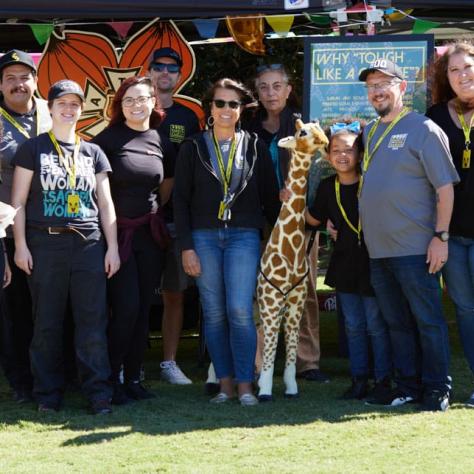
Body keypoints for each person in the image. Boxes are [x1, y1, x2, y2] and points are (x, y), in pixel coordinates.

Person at [11, 79, 120, 414]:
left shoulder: (93, 152)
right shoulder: (33, 149)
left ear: (81, 109)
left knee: (92, 323)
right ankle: (47, 395)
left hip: (89, 246)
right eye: (63, 103)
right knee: (46, 323)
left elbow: (105, 204)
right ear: (52, 107)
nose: (69, 109)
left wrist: (112, 248)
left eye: (75, 104)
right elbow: (17, 202)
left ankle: (98, 393)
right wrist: (20, 247)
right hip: (46, 245)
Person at [358, 59, 459, 411]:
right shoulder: (370, 132)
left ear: (403, 88)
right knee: (397, 324)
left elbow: (445, 189)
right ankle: (407, 386)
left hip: (416, 248)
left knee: (428, 321)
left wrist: (441, 237)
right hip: (378, 251)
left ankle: (437, 388)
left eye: (384, 83)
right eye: (371, 85)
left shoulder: (424, 128)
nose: (377, 90)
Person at [174, 78, 280, 406]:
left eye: (232, 104)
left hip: (243, 237)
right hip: (203, 237)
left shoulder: (254, 146)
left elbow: (269, 200)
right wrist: (186, 246)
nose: (225, 110)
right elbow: (179, 201)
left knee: (239, 310)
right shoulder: (192, 147)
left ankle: (246, 384)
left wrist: (284, 233)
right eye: (220, 103)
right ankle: (224, 384)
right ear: (210, 108)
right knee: (215, 312)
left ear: (241, 110)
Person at [93, 76, 175, 403]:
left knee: (143, 310)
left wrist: (152, 212)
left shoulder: (161, 140)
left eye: (143, 99)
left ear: (154, 102)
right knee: (125, 308)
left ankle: (134, 379)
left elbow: (166, 185)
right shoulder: (105, 140)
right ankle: (111, 378)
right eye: (129, 100)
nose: (137, 105)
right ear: (119, 105)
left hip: (150, 235)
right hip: (117, 236)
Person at [246, 64, 328, 383]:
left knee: (304, 288)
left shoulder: (305, 126)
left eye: (276, 86)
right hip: (262, 220)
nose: (270, 93)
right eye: (264, 87)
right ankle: (257, 362)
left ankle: (307, 362)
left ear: (288, 89)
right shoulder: (250, 128)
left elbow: (319, 172)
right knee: (260, 289)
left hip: (299, 221)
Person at [305, 120, 392, 400]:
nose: (343, 155)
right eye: (336, 150)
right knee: (353, 326)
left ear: (360, 154)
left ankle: (382, 379)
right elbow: (314, 219)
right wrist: (291, 199)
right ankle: (358, 379)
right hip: (344, 265)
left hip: (373, 262)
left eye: (349, 150)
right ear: (328, 156)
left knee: (375, 325)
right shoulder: (328, 186)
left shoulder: (372, 183)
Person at [0, 49, 52, 403]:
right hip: (5, 231)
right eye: (10, 78)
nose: (19, 84)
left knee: (50, 305)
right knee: (15, 309)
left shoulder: (55, 111)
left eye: (25, 76)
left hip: (51, 227)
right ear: (0, 86)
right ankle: (21, 380)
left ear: (36, 80)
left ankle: (54, 374)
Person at [149, 47, 200, 385]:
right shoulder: (133, 111)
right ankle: (129, 363)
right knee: (131, 294)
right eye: (159, 67)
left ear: (179, 76)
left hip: (175, 219)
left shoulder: (187, 117)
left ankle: (168, 362)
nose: (165, 73)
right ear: (149, 72)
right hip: (135, 221)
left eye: (171, 68)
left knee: (174, 293)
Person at [427, 40, 474, 408]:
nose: (462, 75)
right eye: (454, 70)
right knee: (465, 309)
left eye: (468, 67)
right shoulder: (435, 118)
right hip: (452, 234)